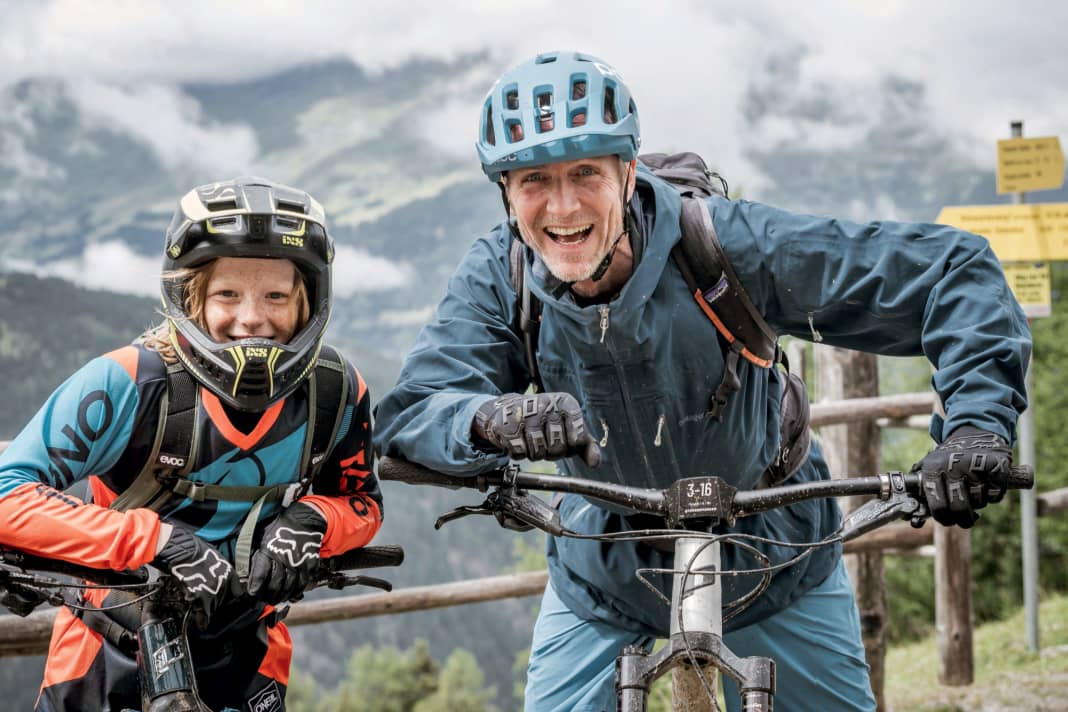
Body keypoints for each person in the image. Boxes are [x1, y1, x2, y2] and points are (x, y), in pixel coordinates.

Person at [373, 50, 1032, 711]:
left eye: (585, 173)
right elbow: (415, 411)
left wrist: (976, 423)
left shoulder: (725, 247)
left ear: (628, 174)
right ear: (507, 192)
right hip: (607, 569)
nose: (564, 204)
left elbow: (952, 271)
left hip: (774, 553)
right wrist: (488, 422)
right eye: (535, 180)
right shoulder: (503, 276)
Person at [0, 176, 383, 711]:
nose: (252, 318)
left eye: (276, 295)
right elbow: (7, 494)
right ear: (191, 297)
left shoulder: (335, 391)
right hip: (109, 649)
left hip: (248, 648)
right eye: (227, 294)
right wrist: (154, 541)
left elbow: (362, 501)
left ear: (306, 302)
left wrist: (313, 521)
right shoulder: (129, 382)